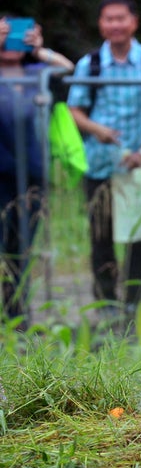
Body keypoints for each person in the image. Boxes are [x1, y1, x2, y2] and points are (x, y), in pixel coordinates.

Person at [67, 0, 141, 324]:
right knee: (100, 235)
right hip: (100, 163)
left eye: (121, 18)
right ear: (102, 24)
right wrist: (95, 129)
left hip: (139, 165)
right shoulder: (90, 64)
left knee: (140, 236)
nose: (115, 24)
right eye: (109, 19)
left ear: (133, 22)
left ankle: (133, 304)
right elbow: (75, 110)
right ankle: (105, 305)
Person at [0, 16, 73, 328]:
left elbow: (69, 69)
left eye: (15, 34)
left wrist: (40, 49)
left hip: (30, 174)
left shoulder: (36, 72)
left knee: (22, 246)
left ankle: (16, 315)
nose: (10, 41)